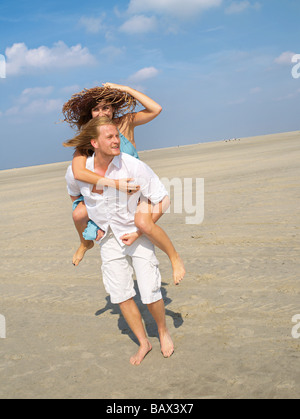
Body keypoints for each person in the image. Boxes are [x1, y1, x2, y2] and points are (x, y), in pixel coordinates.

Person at [64, 116, 181, 365]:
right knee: (120, 294)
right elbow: (75, 197)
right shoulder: (77, 171)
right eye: (110, 137)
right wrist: (90, 224)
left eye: (117, 135)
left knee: (150, 291)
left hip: (134, 234)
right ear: (94, 142)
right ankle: (143, 342)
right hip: (107, 238)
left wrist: (141, 231)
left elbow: (162, 199)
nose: (117, 140)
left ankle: (162, 332)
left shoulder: (132, 166)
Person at [62, 83, 185, 284]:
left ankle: (173, 257)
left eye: (106, 107)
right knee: (78, 213)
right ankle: (85, 243)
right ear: (90, 113)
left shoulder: (126, 122)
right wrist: (112, 183)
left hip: (133, 187)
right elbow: (78, 171)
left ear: (113, 109)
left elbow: (156, 109)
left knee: (144, 224)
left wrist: (124, 89)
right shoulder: (90, 136)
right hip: (107, 189)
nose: (101, 112)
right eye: (96, 108)